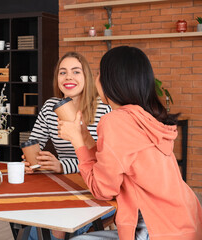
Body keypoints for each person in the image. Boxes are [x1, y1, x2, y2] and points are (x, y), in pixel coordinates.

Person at [58, 46, 202, 240]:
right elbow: (114, 165)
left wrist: (77, 142)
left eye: (100, 73)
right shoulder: (144, 118)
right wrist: (84, 137)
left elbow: (103, 189)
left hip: (155, 229)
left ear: (111, 81)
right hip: (184, 223)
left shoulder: (116, 120)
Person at [24, 52, 113, 239]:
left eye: (76, 72)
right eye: (62, 73)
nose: (69, 77)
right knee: (36, 227)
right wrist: (32, 160)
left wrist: (62, 165)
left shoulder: (104, 108)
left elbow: (104, 160)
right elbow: (34, 142)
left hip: (96, 188)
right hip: (63, 184)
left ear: (86, 77)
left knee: (54, 229)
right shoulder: (50, 107)